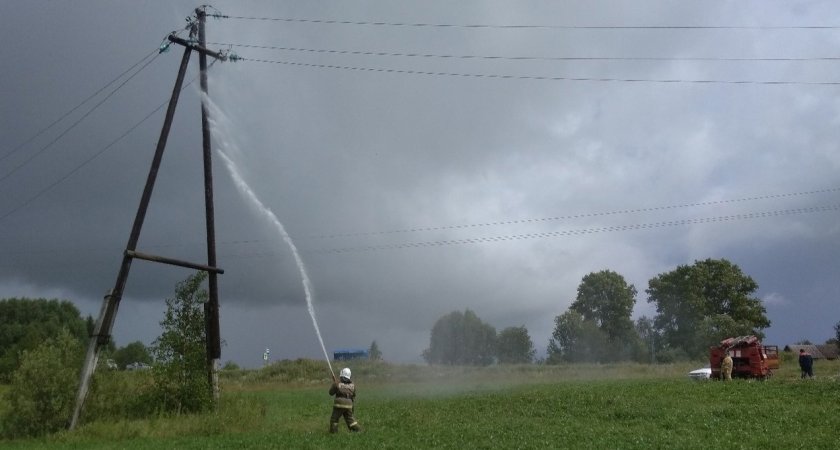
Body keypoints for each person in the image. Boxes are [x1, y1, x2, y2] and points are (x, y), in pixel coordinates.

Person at [329, 367, 361, 433]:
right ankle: (358, 430)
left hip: (339, 404)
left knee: (334, 419)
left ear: (341, 375)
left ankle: (333, 433)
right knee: (350, 420)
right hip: (349, 404)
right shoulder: (353, 385)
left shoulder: (337, 383)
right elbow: (353, 395)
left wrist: (334, 383)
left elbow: (331, 393)